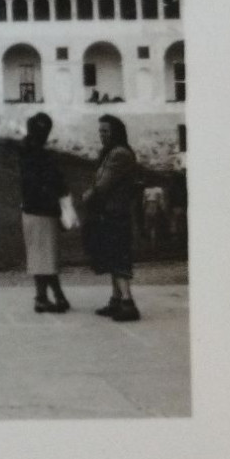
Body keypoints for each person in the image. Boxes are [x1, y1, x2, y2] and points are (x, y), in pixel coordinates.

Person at [85, 115, 142, 322]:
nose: (102, 135)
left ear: (116, 133)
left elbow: (102, 185)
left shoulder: (119, 154)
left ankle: (128, 303)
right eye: (100, 131)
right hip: (110, 212)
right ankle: (116, 300)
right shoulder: (112, 153)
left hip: (117, 212)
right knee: (112, 256)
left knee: (118, 256)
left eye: (106, 132)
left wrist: (88, 195)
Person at [18, 112, 71, 314]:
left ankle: (54, 296)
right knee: (45, 257)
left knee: (42, 256)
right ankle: (44, 297)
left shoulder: (28, 152)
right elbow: (51, 183)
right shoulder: (39, 156)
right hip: (42, 210)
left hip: (31, 209)